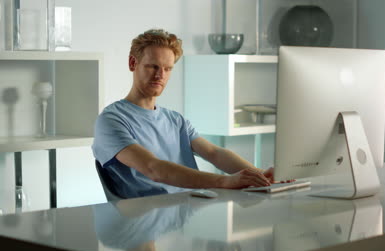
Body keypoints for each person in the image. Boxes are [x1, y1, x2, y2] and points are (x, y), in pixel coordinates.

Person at [92, 29, 274, 198]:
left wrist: (262, 177)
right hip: (144, 220)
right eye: (152, 67)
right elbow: (154, 169)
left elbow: (214, 153)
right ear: (133, 63)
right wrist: (225, 181)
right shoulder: (111, 120)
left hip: (185, 214)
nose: (160, 75)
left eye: (167, 68)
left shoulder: (175, 120)